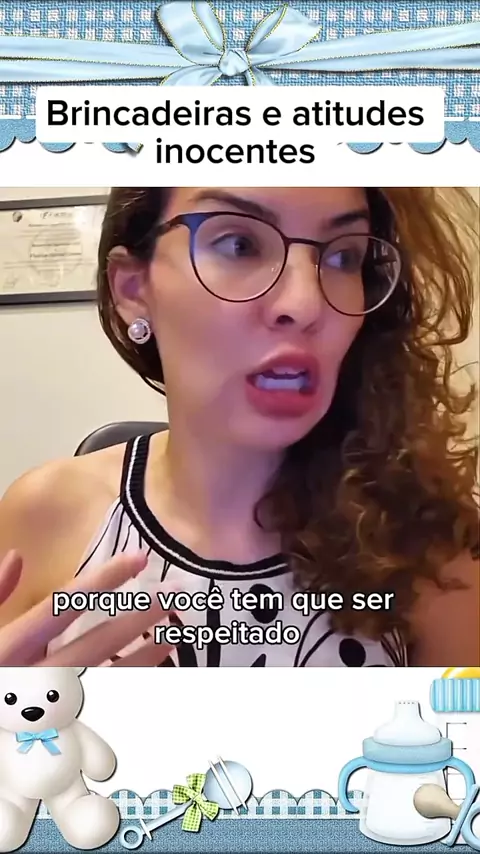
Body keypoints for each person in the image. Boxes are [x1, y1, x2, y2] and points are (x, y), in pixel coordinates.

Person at [0, 187, 478, 667]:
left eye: (343, 257)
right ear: (132, 289)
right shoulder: (42, 513)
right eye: (240, 245)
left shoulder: (435, 551)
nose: (307, 303)